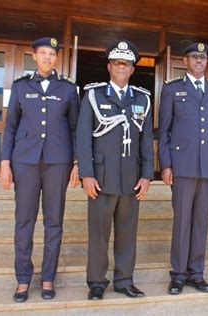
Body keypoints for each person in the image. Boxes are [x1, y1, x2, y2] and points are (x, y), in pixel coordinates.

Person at [0, 37, 80, 302]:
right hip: (25, 161)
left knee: (54, 221)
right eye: (43, 53)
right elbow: (10, 126)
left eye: (52, 54)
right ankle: (23, 279)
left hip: (58, 161)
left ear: (57, 58)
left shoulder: (68, 89)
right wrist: (5, 163)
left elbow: (75, 128)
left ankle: (48, 278)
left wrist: (77, 164)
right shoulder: (21, 86)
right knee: (24, 220)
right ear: (33, 56)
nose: (48, 57)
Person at [76, 39, 153, 300]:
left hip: (131, 179)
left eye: (127, 64)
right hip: (101, 177)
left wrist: (146, 175)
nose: (122, 67)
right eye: (118, 62)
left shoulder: (142, 99)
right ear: (109, 66)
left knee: (127, 233)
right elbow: (83, 137)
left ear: (132, 69)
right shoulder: (94, 95)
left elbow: (145, 141)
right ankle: (97, 282)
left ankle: (124, 280)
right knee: (98, 234)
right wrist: (86, 173)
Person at [158, 42, 208, 295]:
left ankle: (196, 273)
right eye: (194, 57)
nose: (199, 60)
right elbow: (163, 130)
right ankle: (178, 274)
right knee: (182, 222)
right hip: (182, 165)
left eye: (203, 57)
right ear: (185, 61)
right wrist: (165, 164)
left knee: (201, 222)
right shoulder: (172, 89)